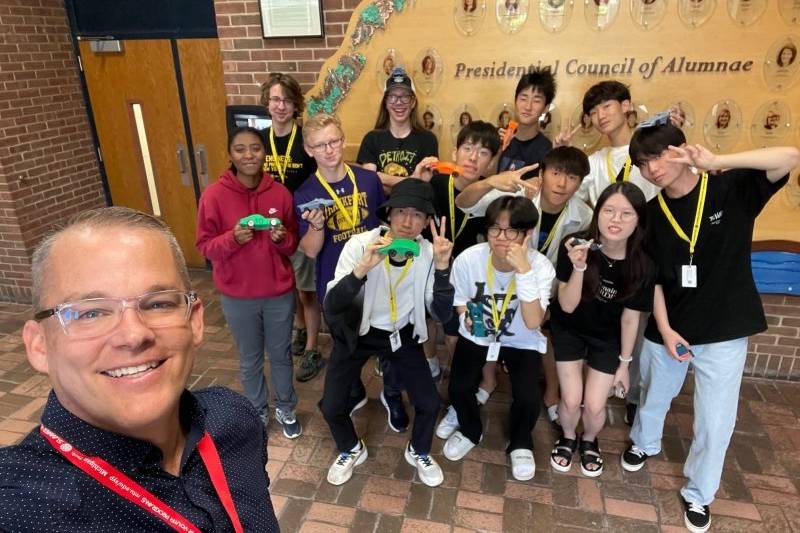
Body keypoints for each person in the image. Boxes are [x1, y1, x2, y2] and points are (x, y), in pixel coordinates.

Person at [0, 207, 279, 532]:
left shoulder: (233, 421)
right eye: (90, 313)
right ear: (39, 346)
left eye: (158, 303)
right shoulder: (23, 508)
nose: (134, 335)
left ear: (195, 321)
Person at [622, 122, 798, 533]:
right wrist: (664, 330)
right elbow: (655, 281)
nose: (651, 170)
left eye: (657, 156)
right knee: (653, 394)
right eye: (642, 164)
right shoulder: (649, 214)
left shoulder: (729, 188)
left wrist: (719, 160)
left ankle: (699, 493)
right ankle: (644, 443)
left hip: (724, 328)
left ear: (681, 149)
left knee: (715, 421)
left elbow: (790, 156)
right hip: (671, 326)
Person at [319, 179, 455, 488]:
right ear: (389, 214)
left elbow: (442, 314)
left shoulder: (429, 252)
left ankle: (418, 450)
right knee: (331, 405)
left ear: (426, 221)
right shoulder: (359, 245)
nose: (408, 222)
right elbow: (333, 304)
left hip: (402, 334)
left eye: (418, 214)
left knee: (429, 402)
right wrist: (362, 268)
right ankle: (351, 448)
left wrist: (444, 268)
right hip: (359, 333)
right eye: (402, 212)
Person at [455, 146, 593, 428]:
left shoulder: (583, 215)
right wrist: (490, 181)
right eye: (555, 173)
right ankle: (489, 379)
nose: (562, 183)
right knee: (493, 320)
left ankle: (551, 394)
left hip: (546, 282)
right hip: (502, 275)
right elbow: (464, 203)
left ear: (580, 183)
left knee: (544, 330)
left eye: (572, 177)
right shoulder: (516, 196)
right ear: (541, 174)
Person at [196, 127, 301, 438]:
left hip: (278, 292)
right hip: (238, 295)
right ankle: (257, 409)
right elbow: (204, 246)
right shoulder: (214, 195)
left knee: (281, 354)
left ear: (264, 153)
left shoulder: (279, 193)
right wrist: (232, 239)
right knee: (250, 357)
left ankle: (286, 406)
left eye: (255, 148)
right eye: (240, 149)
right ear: (230, 155)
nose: (248, 155)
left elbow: (292, 244)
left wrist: (282, 239)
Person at [444, 196, 555, 481]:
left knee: (529, 397)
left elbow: (533, 321)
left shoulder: (540, 267)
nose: (502, 238)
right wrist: (466, 315)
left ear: (527, 234)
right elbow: (460, 300)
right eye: (495, 229)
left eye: (512, 231)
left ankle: (520, 442)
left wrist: (524, 271)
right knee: (458, 387)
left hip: (521, 339)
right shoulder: (470, 258)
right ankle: (470, 429)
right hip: (480, 334)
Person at [549, 182, 655, 478]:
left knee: (595, 406)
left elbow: (630, 319)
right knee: (571, 400)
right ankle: (568, 436)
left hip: (607, 337)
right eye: (608, 211)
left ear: (639, 221)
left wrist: (624, 365)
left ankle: (589, 440)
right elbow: (567, 306)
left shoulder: (642, 265)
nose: (615, 220)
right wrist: (579, 268)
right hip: (568, 328)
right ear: (597, 214)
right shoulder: (575, 244)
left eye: (626, 214)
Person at [294, 113, 386, 389]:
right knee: (345, 341)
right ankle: (354, 389)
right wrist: (317, 227)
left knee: (381, 331)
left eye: (334, 141)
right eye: (321, 145)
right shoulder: (305, 193)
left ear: (343, 141)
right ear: (310, 150)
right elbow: (310, 250)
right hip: (335, 280)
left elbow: (383, 223)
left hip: (375, 273)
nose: (329, 149)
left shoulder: (368, 180)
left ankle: (387, 381)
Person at [260, 73, 322, 378]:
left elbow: (318, 182)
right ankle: (299, 326)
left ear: (295, 104)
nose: (280, 106)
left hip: (301, 227)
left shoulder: (305, 141)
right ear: (267, 103)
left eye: (286, 99)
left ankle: (312, 347)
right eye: (275, 99)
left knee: (307, 290)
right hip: (271, 230)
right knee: (288, 288)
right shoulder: (258, 141)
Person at [571, 81, 660, 207]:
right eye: (593, 113)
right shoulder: (594, 162)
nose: (601, 116)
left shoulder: (654, 150)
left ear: (625, 105)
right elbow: (566, 196)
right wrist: (561, 156)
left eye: (606, 106)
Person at [358, 67, 439, 190]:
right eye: (392, 97)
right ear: (385, 102)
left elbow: (423, 187)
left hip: (414, 208)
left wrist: (383, 177)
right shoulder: (371, 139)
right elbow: (370, 185)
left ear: (413, 102)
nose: (398, 102)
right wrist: (413, 179)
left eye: (405, 96)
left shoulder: (428, 139)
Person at [498, 69, 557, 172]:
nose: (528, 107)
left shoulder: (546, 151)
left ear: (546, 108)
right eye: (523, 99)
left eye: (536, 101)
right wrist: (498, 151)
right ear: (515, 100)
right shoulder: (499, 138)